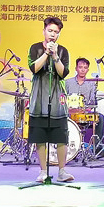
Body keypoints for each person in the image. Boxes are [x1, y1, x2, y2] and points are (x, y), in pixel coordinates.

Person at [27, 17, 73, 183]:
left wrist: (55, 56)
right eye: (50, 31)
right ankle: (43, 171)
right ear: (44, 31)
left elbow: (63, 73)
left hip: (57, 99)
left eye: (56, 32)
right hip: (39, 98)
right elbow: (34, 68)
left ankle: (62, 171)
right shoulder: (35, 48)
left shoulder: (63, 51)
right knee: (40, 137)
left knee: (61, 137)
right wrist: (46, 53)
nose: (53, 34)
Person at [63, 57, 104, 154]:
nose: (82, 70)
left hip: (84, 113)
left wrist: (86, 109)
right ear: (76, 68)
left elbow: (93, 102)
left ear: (88, 70)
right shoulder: (67, 83)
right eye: (80, 67)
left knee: (101, 118)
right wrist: (69, 109)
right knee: (60, 117)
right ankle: (65, 149)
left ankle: (97, 148)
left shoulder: (91, 84)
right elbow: (62, 99)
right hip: (69, 113)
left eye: (85, 68)